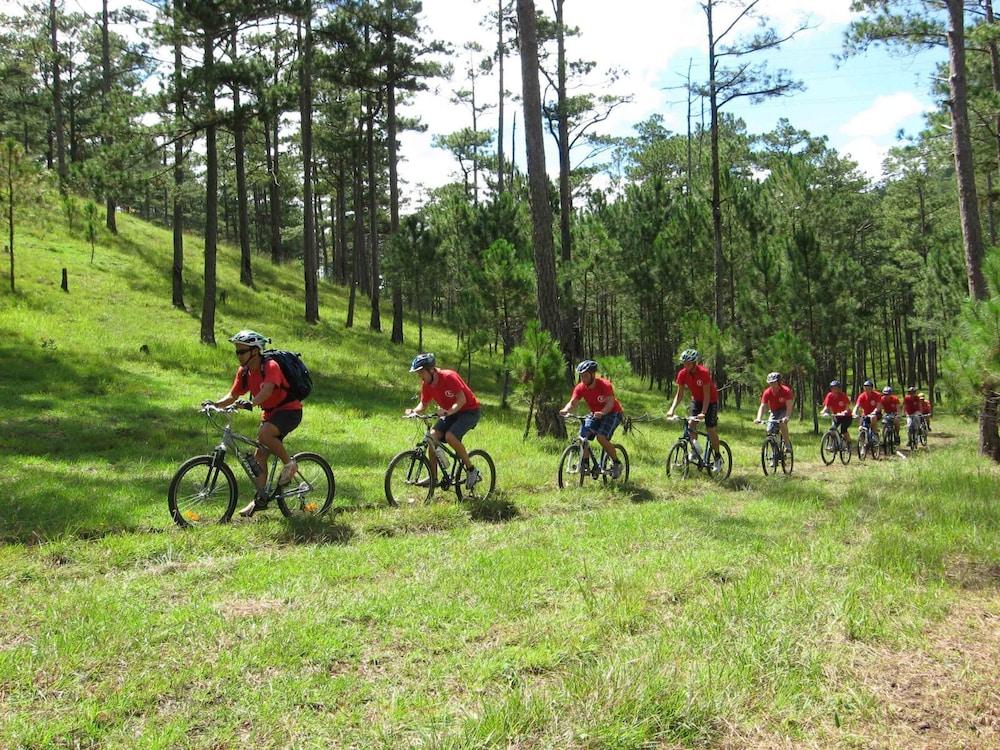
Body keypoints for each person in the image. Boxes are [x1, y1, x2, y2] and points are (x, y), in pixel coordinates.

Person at [205, 330, 303, 517]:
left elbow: (267, 390)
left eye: (242, 351)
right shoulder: (244, 372)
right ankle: (261, 498)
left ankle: (290, 464)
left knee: (265, 434)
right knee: (259, 457)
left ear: (256, 351)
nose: (239, 355)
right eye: (237, 352)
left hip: (290, 410)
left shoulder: (271, 366)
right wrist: (215, 404)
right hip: (270, 413)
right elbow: (233, 395)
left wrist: (251, 403)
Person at [404, 353, 481, 489]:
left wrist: (447, 411)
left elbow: (461, 400)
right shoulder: (427, 385)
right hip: (450, 412)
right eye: (418, 373)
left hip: (469, 411)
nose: (419, 376)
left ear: (431, 370)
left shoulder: (449, 377)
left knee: (450, 436)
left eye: (421, 372)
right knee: (431, 437)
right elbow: (423, 404)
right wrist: (414, 411)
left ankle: (471, 470)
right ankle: (433, 478)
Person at [559, 360, 625, 478]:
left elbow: (610, 403)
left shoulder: (604, 385)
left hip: (613, 413)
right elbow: (573, 402)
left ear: (593, 375)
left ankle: (616, 463)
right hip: (595, 414)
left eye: (585, 376)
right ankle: (585, 464)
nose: (583, 379)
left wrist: (602, 412)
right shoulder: (580, 387)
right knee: (583, 438)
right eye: (581, 376)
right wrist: (565, 409)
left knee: (601, 437)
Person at [667, 349, 722, 471]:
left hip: (710, 401)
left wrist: (703, 412)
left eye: (688, 363)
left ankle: (718, 457)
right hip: (696, 400)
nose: (685, 365)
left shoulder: (703, 372)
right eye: (684, 363)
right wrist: (672, 409)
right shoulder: (682, 374)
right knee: (691, 424)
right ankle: (695, 450)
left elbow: (707, 395)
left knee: (710, 429)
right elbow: (679, 394)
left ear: (694, 363)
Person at [754, 371, 794, 453]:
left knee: (782, 423)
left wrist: (787, 417)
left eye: (774, 382)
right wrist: (758, 418)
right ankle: (774, 454)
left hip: (784, 410)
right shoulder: (767, 392)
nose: (772, 385)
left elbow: (789, 406)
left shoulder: (786, 391)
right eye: (770, 383)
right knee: (769, 430)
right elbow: (762, 406)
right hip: (774, 411)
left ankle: (787, 444)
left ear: (778, 382)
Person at [820, 380, 853, 444]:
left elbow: (847, 407)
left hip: (846, 417)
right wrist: (823, 411)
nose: (834, 390)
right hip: (836, 416)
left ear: (839, 389)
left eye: (836, 388)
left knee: (843, 430)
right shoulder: (829, 396)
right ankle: (831, 445)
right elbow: (827, 406)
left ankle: (849, 443)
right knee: (832, 429)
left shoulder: (843, 396)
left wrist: (844, 412)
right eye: (833, 388)